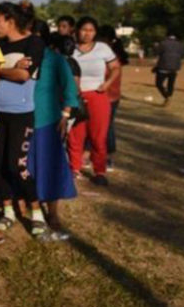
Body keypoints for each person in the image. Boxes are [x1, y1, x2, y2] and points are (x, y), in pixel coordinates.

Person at [0, 1, 47, 236]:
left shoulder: (34, 43)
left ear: (10, 20)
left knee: (17, 165)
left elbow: (23, 75)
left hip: (21, 114)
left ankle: (36, 210)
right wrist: (8, 69)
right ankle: (8, 211)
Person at [27, 24, 79, 241]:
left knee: (50, 167)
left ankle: (53, 213)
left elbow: (70, 89)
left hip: (47, 121)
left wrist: (65, 115)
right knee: (27, 167)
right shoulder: (19, 57)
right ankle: (32, 208)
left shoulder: (55, 60)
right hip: (22, 121)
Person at [67, 16, 120, 186]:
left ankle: (99, 171)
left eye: (91, 30)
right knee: (75, 135)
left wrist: (107, 84)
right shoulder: (70, 49)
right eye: (84, 30)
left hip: (97, 96)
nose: (87, 33)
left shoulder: (103, 48)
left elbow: (115, 67)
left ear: (95, 32)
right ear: (77, 31)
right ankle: (74, 168)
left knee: (98, 136)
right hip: (76, 97)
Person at [97, 25, 129, 169]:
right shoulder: (101, 53)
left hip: (109, 96)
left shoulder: (111, 56)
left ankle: (109, 156)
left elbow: (107, 74)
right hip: (103, 95)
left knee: (107, 126)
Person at [153, 34, 184, 106]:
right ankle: (169, 96)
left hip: (163, 66)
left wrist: (155, 46)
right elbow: (182, 55)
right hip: (175, 67)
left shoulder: (163, 43)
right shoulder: (180, 45)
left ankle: (166, 96)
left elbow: (157, 53)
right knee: (170, 84)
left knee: (159, 83)